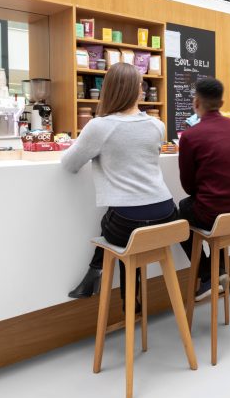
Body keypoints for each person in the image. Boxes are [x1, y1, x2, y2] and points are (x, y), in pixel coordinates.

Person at [63, 63, 177, 302]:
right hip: (167, 214)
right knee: (118, 223)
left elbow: (70, 165)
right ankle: (126, 297)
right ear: (138, 90)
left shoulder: (99, 126)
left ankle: (99, 276)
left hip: (128, 222)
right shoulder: (158, 125)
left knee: (114, 223)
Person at [177, 78, 230, 301]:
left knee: (182, 210)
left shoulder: (191, 136)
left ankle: (208, 275)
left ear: (196, 103)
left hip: (216, 214)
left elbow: (188, 186)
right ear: (222, 102)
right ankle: (217, 273)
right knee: (215, 208)